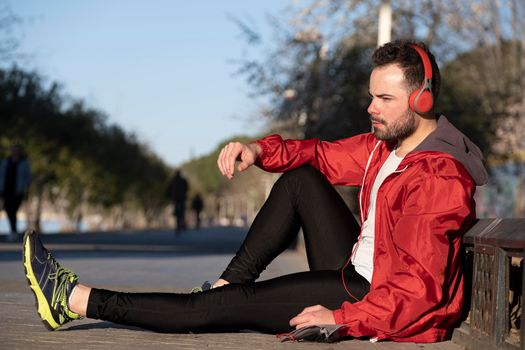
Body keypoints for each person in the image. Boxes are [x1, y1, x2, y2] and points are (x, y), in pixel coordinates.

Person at [22, 40, 488, 343]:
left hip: (370, 297)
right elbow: (319, 155)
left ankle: (74, 299)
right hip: (356, 269)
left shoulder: (438, 177)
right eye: (371, 96)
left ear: (422, 100)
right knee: (301, 180)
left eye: (384, 100)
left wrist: (345, 318)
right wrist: (256, 150)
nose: (371, 108)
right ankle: (227, 286)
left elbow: (418, 290)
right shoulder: (381, 147)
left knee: (216, 310)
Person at [1, 143, 31, 240]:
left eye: (16, 150)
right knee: (9, 210)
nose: (14, 151)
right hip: (6, 189)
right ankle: (13, 230)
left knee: (14, 209)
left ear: (20, 151)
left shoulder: (23, 163)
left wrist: (24, 186)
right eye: (13, 149)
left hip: (18, 191)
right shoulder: (6, 161)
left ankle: (14, 231)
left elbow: (28, 177)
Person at [167, 170, 188, 235]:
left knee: (177, 211)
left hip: (176, 198)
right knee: (181, 211)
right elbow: (187, 188)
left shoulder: (173, 180)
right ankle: (181, 222)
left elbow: (169, 189)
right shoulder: (182, 180)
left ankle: (180, 223)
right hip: (181, 198)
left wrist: (169, 195)